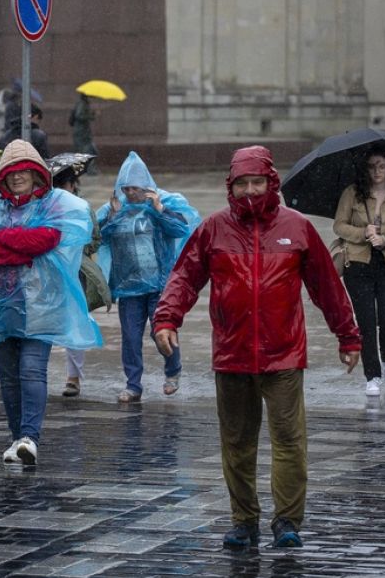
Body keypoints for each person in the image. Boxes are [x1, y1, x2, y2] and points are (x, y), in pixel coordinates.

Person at [152, 146, 361, 550]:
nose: (250, 191)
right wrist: (166, 319)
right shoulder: (213, 229)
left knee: (289, 442)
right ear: (231, 186)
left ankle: (287, 521)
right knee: (237, 444)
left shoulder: (297, 228)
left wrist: (348, 335)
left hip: (283, 355)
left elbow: (327, 288)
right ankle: (244, 520)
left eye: (257, 182)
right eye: (242, 184)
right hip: (232, 355)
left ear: (271, 183)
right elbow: (184, 276)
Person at [0, 140, 102, 465]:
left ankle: (30, 436)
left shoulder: (55, 205)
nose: (17, 178)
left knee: (31, 370)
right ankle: (18, 439)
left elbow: (48, 239)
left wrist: (5, 238)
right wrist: (22, 248)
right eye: (10, 173)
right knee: (9, 377)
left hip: (41, 306)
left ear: (36, 173)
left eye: (23, 171)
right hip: (0, 306)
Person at [97, 152, 199, 403]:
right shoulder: (114, 209)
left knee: (161, 332)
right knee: (131, 338)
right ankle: (133, 385)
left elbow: (180, 229)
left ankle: (173, 370)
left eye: (136, 187)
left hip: (159, 286)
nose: (131, 192)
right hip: (128, 288)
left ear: (147, 186)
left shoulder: (160, 205)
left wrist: (159, 210)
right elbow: (98, 238)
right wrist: (112, 217)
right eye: (127, 188)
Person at [332, 145, 385, 396]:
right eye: (371, 166)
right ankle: (372, 374)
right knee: (366, 321)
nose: (377, 171)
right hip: (358, 263)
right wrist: (362, 234)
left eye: (381, 166)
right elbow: (339, 226)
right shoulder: (352, 193)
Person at [48, 153, 111, 397]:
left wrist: (78, 247)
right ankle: (36, 373)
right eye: (58, 184)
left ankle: (73, 378)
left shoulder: (83, 208)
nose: (64, 188)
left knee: (75, 322)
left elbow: (94, 241)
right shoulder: (46, 207)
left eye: (66, 183)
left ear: (73, 185)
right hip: (49, 272)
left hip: (76, 273)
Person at [0, 104, 49, 192]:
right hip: (30, 188)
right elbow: (45, 163)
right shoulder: (38, 136)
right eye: (38, 120)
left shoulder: (5, 136)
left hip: (5, 185)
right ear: (35, 117)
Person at [70, 93, 97, 170]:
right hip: (81, 132)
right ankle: (84, 169)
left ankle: (81, 169)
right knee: (85, 151)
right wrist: (91, 116)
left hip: (82, 132)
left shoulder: (83, 104)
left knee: (83, 151)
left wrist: (91, 114)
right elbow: (79, 116)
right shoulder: (82, 104)